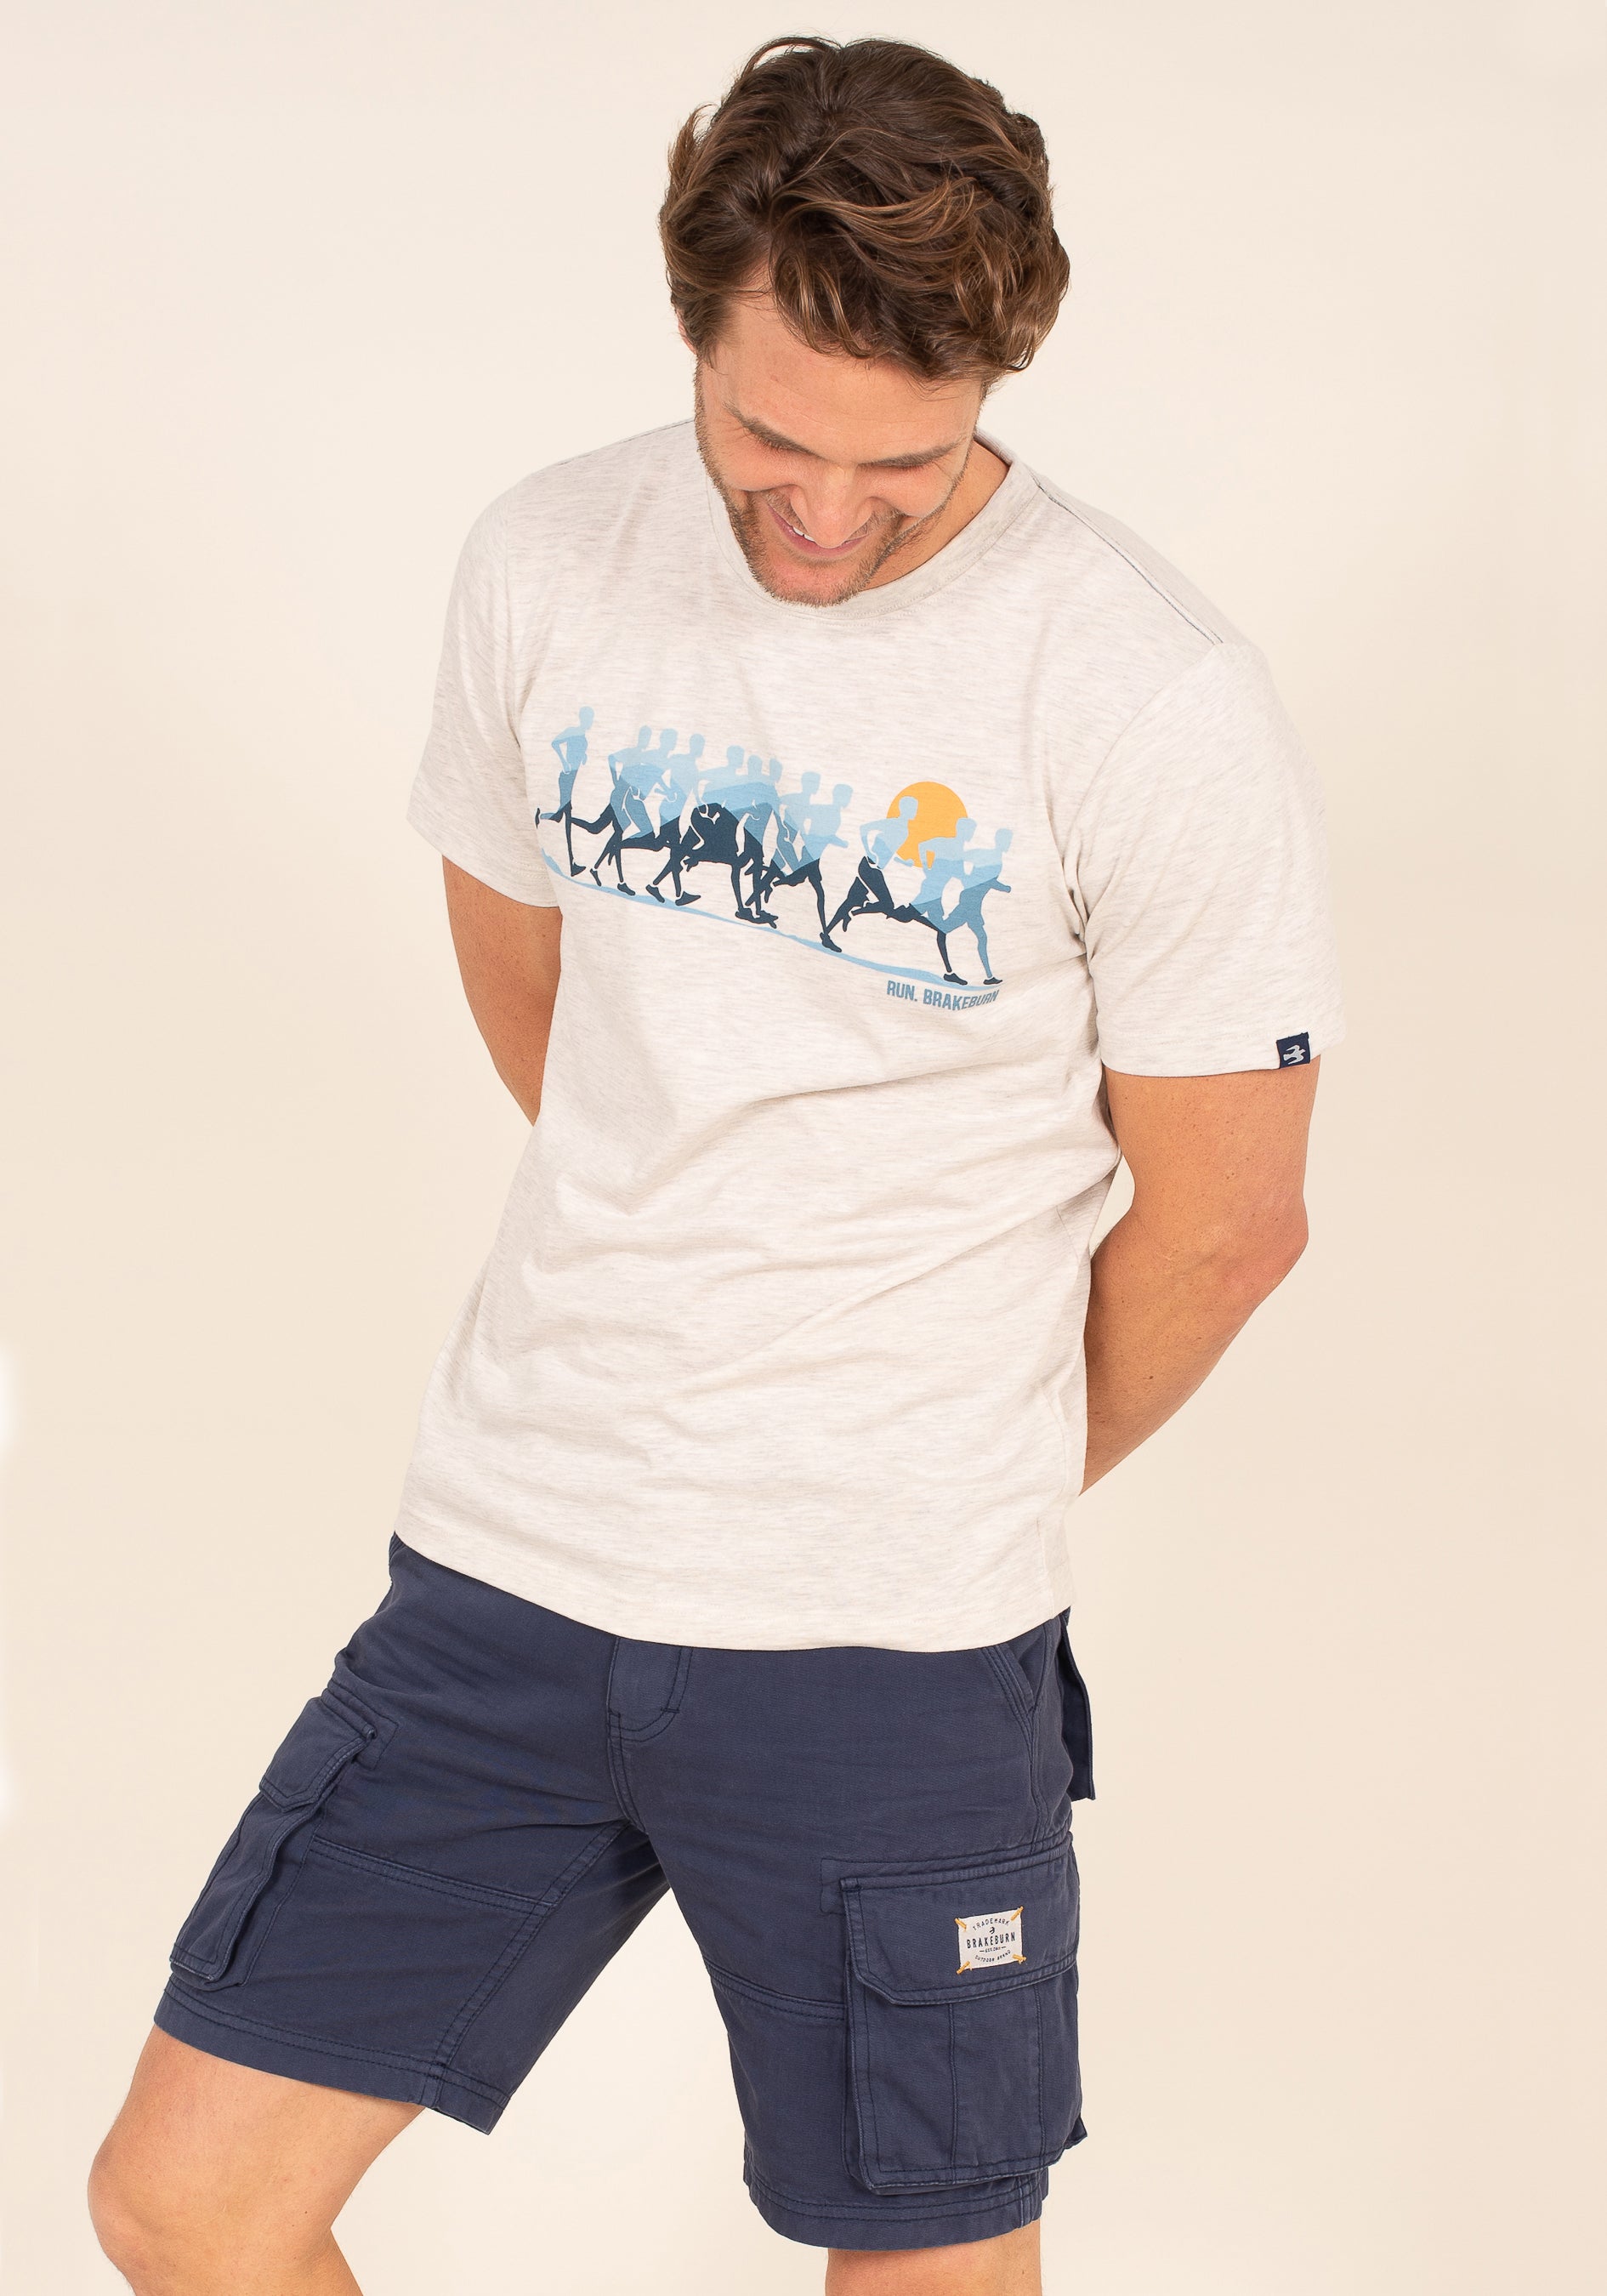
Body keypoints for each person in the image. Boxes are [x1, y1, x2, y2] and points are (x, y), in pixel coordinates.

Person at [90, 33, 1343, 2296]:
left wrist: (939, 1453)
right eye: (770, 441)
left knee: (926, 2266)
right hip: (509, 1571)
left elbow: (1232, 1217)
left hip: (893, 1645)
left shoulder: (1143, 690)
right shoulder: (546, 560)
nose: (829, 513)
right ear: (691, 325)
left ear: (998, 380)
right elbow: (541, 1000)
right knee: (186, 2205)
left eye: (906, 461)